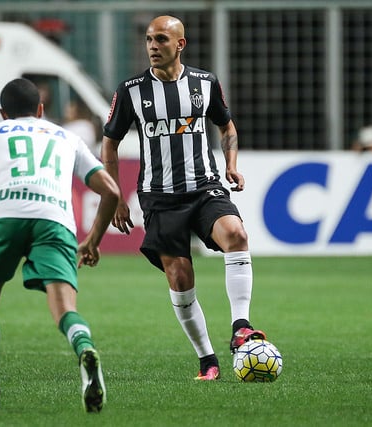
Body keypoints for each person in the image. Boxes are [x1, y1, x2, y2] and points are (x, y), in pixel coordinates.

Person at [101, 15, 266, 381]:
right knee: (179, 275)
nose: (152, 47)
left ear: (180, 44)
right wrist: (114, 197)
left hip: (205, 186)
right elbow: (109, 143)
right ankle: (207, 360)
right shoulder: (130, 90)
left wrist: (231, 164)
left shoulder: (205, 83)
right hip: (159, 197)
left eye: (160, 39)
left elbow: (227, 126)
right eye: (148, 40)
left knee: (236, 235)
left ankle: (241, 326)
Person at [0, 78, 119, 412]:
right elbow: (111, 191)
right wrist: (93, 242)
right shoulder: (67, 137)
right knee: (65, 308)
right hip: (54, 218)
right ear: (41, 110)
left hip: (5, 216)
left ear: (2, 113)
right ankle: (84, 347)